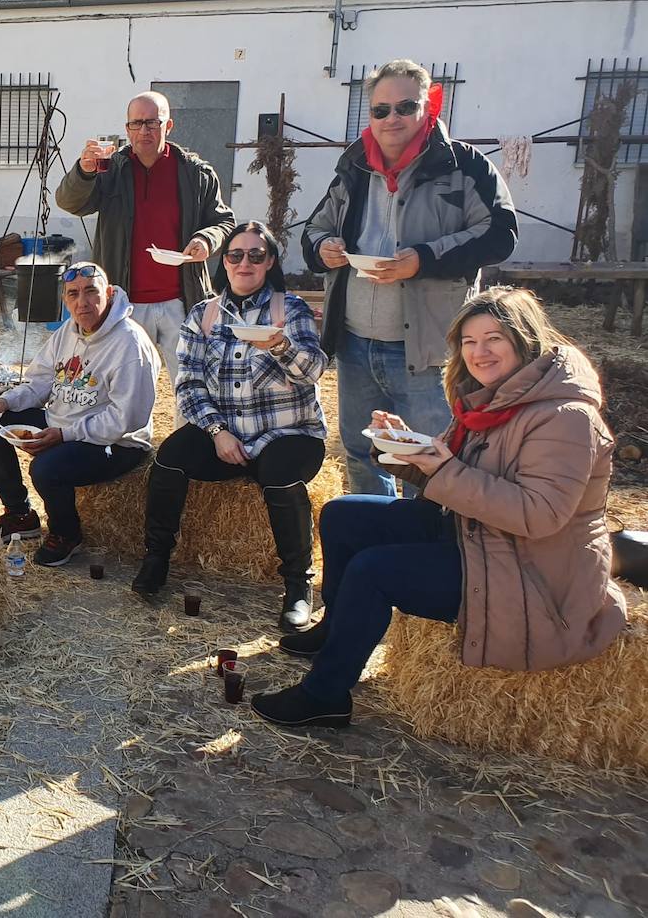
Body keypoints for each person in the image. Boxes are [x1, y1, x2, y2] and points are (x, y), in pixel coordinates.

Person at [252, 287, 628, 729]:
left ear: (525, 340)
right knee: (343, 514)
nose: (479, 353)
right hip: (479, 535)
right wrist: (401, 448)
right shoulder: (493, 395)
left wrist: (444, 469)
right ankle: (338, 628)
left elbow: (539, 515)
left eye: (494, 339)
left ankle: (325, 695)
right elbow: (453, 476)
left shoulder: (566, 416)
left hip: (530, 573)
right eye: (469, 342)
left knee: (374, 571)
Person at [301, 58, 517, 497]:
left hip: (428, 347)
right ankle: (376, 539)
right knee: (365, 453)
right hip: (356, 342)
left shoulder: (463, 165)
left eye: (404, 107)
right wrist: (325, 248)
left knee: (430, 455)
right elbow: (312, 229)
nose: (391, 118)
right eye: (381, 110)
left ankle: (421, 546)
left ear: (428, 108)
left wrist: (423, 259)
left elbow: (500, 234)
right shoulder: (355, 166)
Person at [133, 223, 327, 631]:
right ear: (225, 260)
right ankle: (157, 557)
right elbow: (187, 384)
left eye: (257, 255)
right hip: (228, 433)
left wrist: (280, 345)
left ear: (270, 262)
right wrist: (217, 431)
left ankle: (297, 586)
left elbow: (313, 372)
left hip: (287, 433)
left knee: (279, 474)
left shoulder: (289, 310)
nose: (245, 263)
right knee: (169, 459)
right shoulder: (204, 314)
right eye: (236, 254)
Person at [0, 263, 158, 567]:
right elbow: (41, 382)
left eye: (91, 292)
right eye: (73, 294)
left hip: (115, 443)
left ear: (109, 294)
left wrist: (65, 434)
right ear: (65, 299)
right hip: (62, 424)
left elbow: (126, 419)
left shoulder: (129, 344)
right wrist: (6, 401)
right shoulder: (68, 331)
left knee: (46, 470)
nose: (81, 302)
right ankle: (19, 513)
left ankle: (66, 534)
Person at [55, 91, 235, 394]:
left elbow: (224, 221)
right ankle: (132, 443)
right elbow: (70, 202)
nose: (144, 131)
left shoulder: (195, 173)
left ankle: (189, 441)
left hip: (183, 299)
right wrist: (84, 171)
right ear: (127, 129)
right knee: (127, 388)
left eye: (152, 123)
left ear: (169, 125)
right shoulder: (111, 169)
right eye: (136, 123)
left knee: (193, 384)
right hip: (125, 302)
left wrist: (206, 239)